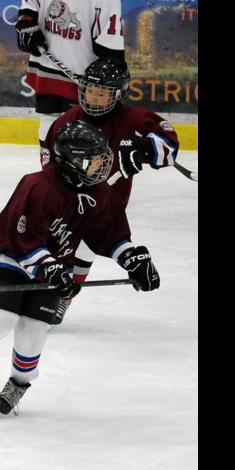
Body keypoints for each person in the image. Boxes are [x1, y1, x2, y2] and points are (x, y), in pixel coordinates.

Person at [0, 121, 160, 416]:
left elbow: (110, 233)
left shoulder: (100, 192)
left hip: (56, 268)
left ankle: (18, 384)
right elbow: (24, 239)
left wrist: (132, 259)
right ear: (72, 161)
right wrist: (50, 269)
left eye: (104, 156)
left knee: (34, 331)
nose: (103, 165)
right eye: (95, 159)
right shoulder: (37, 185)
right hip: (12, 258)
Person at [41, 56, 180, 323]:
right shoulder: (66, 122)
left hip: (109, 203)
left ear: (117, 96)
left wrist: (146, 147)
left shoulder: (134, 119)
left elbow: (168, 144)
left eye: (101, 94)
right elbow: (48, 165)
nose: (93, 98)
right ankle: (45, 295)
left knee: (87, 248)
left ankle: (63, 299)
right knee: (60, 246)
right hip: (69, 200)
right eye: (90, 91)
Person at [15, 0, 124, 155]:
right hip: (47, 66)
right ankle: (48, 171)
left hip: (84, 73)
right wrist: (27, 28)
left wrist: (105, 77)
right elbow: (28, 8)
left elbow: (110, 39)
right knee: (48, 118)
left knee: (83, 128)